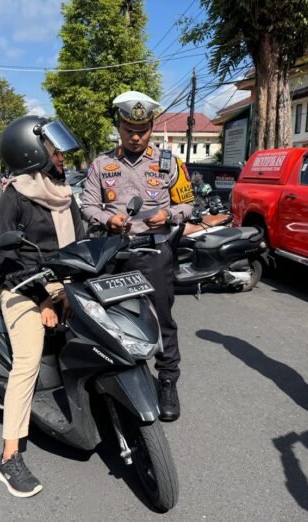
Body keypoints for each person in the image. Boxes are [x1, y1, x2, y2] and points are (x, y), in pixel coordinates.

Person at [81, 90, 194, 422]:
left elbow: (187, 204)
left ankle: (167, 381)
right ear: (118, 126)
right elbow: (87, 205)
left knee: (160, 319)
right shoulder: (102, 164)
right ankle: (116, 378)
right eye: (129, 129)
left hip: (153, 252)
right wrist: (107, 219)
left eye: (142, 130)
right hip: (113, 252)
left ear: (151, 128)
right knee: (110, 318)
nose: (135, 137)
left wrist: (170, 215)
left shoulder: (169, 163)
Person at [0, 115, 84, 497]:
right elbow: (7, 261)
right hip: (21, 286)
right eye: (54, 150)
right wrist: (45, 296)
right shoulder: (15, 196)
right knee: (28, 358)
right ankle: (9, 456)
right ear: (32, 153)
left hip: (62, 282)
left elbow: (81, 245)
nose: (62, 157)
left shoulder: (65, 194)